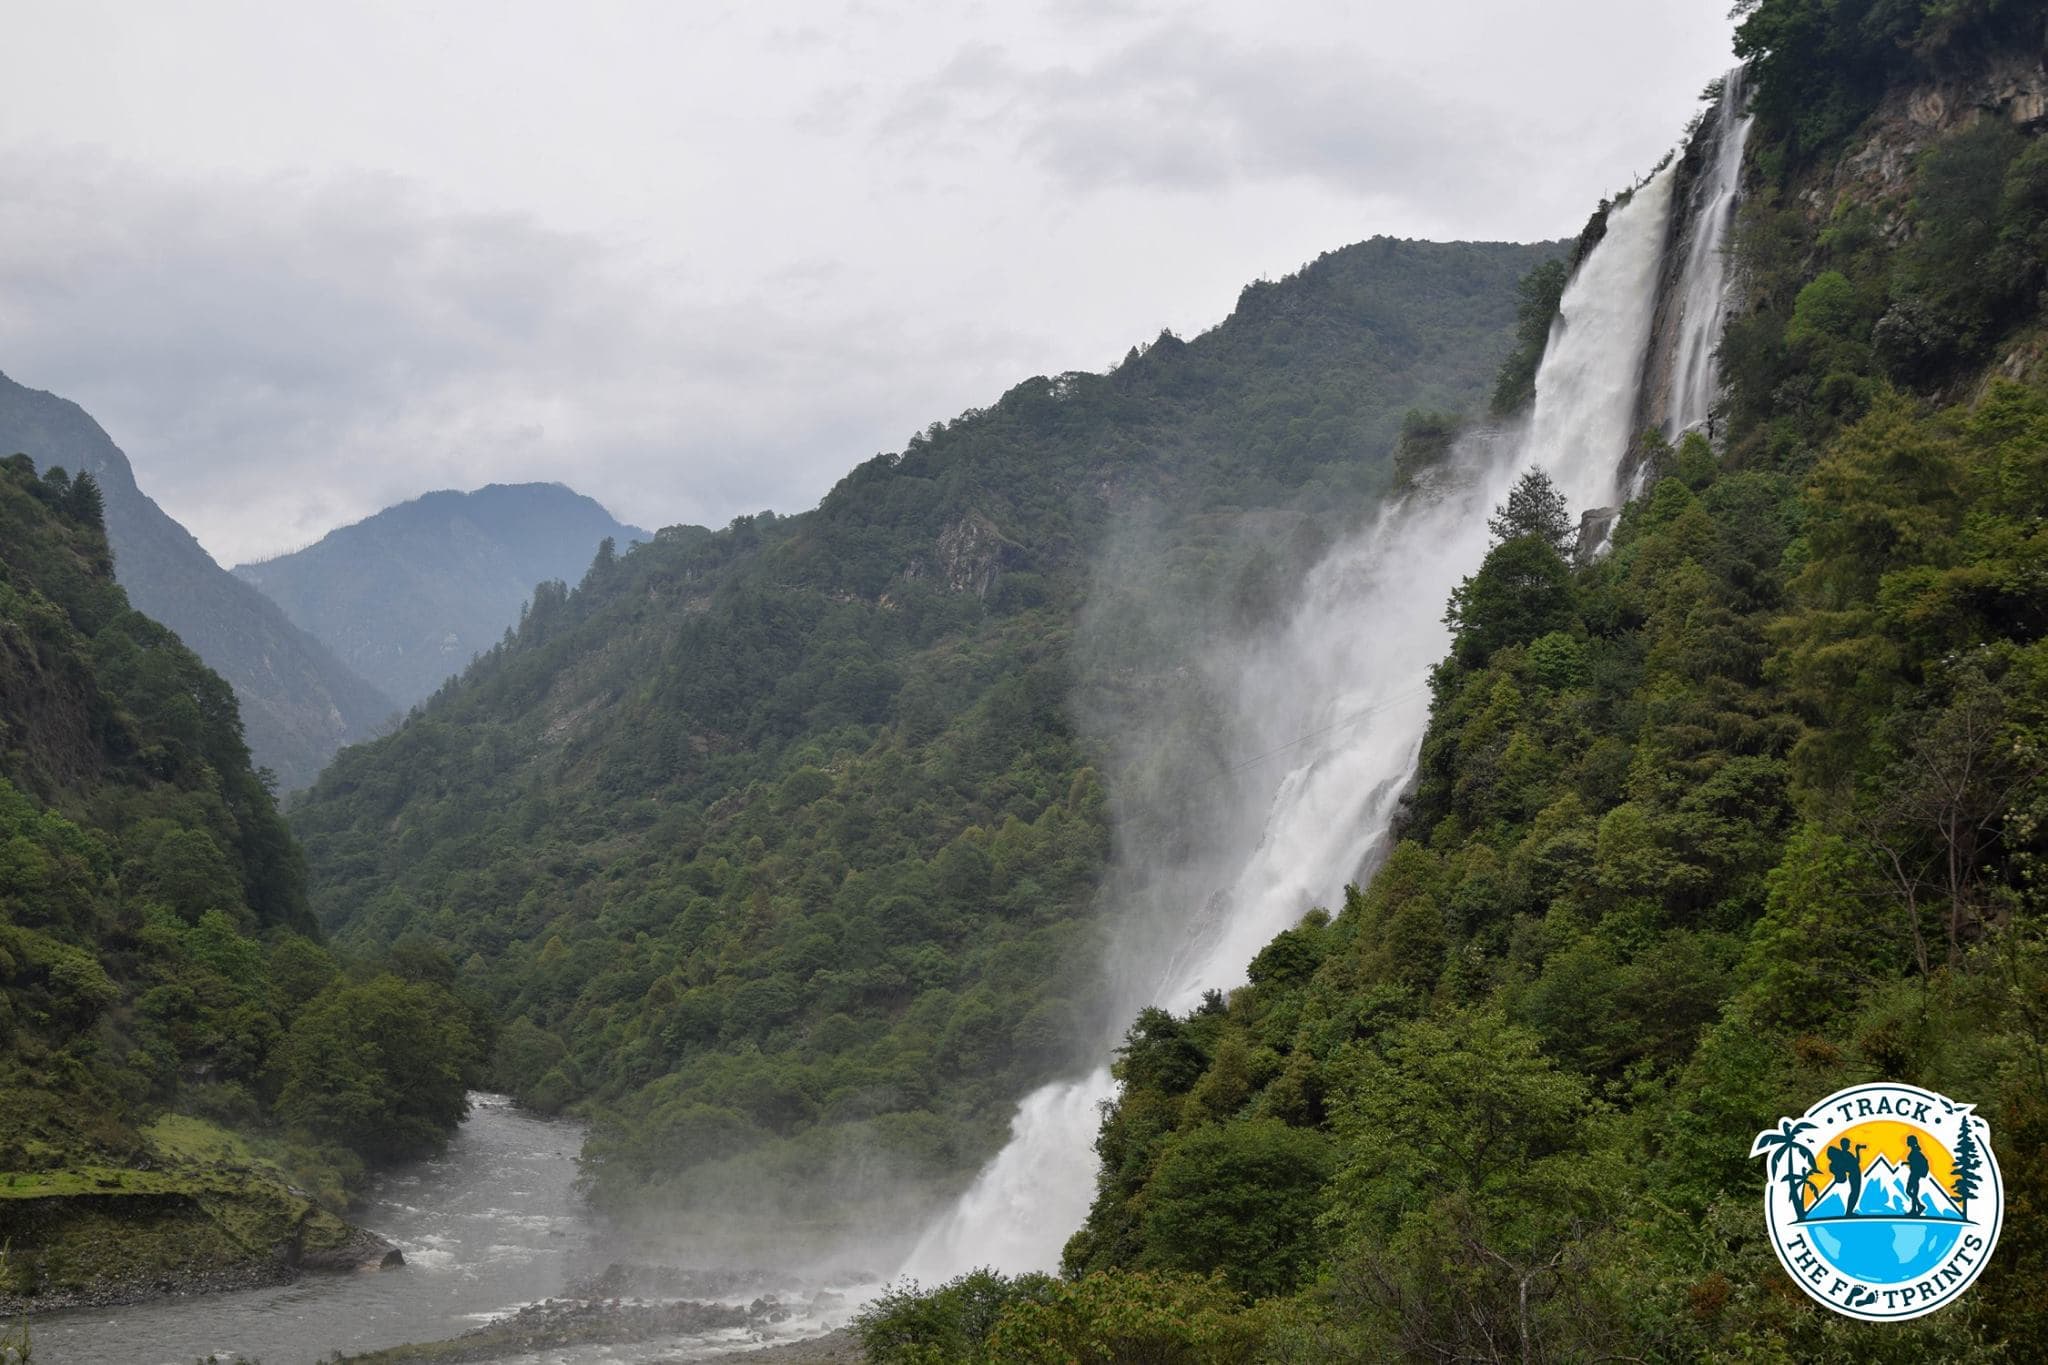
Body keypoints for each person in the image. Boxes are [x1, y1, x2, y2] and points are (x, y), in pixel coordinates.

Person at [1825, 1136, 1864, 1216]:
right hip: (1854, 1174)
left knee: (1854, 1193)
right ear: (1844, 1145)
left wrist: (1857, 1150)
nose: (1849, 1146)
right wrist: (1857, 1150)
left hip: (1855, 1174)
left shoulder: (1845, 1154)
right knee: (1854, 1193)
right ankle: (1849, 1212)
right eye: (1848, 1144)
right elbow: (1856, 1162)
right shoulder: (1845, 1154)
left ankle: (1849, 1211)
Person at [1905, 1135, 1931, 1217]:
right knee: (1911, 1192)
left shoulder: (1915, 1152)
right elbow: (1914, 1162)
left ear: (1911, 1142)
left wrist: (1908, 1163)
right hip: (1914, 1174)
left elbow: (1916, 1163)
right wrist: (1906, 1163)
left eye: (1908, 1141)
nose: (1906, 1142)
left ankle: (1917, 1208)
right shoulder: (1915, 1151)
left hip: (1914, 1174)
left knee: (1909, 1191)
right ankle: (1917, 1207)